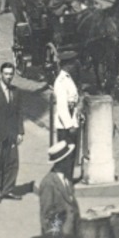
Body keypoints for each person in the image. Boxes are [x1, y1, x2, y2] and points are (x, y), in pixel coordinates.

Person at [0, 63, 25, 203]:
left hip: (12, 134)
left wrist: (20, 132)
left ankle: (8, 189)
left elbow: (19, 113)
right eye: (6, 74)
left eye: (11, 74)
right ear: (1, 74)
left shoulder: (16, 91)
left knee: (12, 162)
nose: (9, 77)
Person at [50, 53, 82, 181]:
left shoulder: (68, 78)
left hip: (71, 122)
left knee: (70, 156)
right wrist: (70, 126)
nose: (75, 66)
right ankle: (64, 182)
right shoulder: (61, 81)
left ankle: (67, 179)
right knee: (65, 156)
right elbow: (62, 108)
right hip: (65, 126)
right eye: (73, 63)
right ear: (67, 65)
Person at [39, 142, 81, 238]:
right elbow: (47, 216)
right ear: (62, 162)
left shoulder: (66, 179)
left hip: (73, 234)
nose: (71, 161)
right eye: (69, 158)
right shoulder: (48, 183)